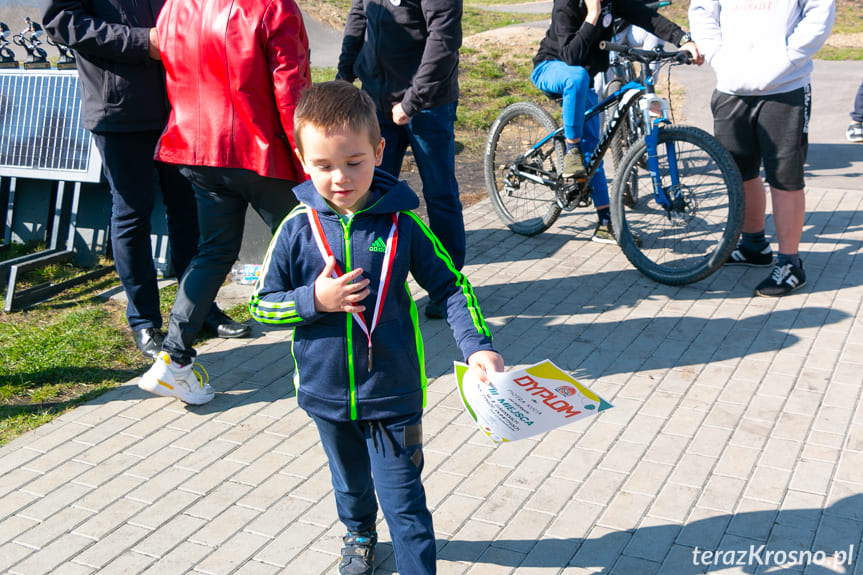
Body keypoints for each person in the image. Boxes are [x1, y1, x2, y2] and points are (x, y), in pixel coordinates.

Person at [249, 80, 504, 575]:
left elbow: (451, 286)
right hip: (326, 394)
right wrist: (313, 301)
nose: (340, 178)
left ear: (380, 151)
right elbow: (262, 306)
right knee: (350, 485)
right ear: (302, 159)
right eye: (323, 166)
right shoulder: (296, 229)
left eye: (354, 162)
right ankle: (359, 532)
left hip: (394, 393)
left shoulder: (403, 224)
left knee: (405, 503)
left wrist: (477, 345)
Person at [41, 0, 249, 360]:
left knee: (188, 211)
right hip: (118, 109)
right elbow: (60, 21)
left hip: (179, 104)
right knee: (132, 213)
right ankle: (144, 321)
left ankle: (199, 311)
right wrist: (142, 41)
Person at [137, 0, 311, 404]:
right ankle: (343, 352)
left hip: (198, 146)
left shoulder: (174, 7)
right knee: (314, 244)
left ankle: (173, 358)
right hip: (261, 149)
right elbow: (290, 88)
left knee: (213, 252)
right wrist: (307, 155)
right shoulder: (272, 6)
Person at [690, 0, 835, 297]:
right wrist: (718, 56)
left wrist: (788, 58)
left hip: (785, 87)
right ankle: (753, 245)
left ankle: (790, 264)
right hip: (731, 88)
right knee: (739, 172)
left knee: (785, 177)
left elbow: (820, 12)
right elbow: (703, 11)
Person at [532, 0, 703, 243]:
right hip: (550, 68)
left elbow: (649, 18)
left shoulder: (612, 2)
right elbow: (571, 56)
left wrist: (684, 39)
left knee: (595, 151)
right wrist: (593, 15)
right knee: (577, 76)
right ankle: (571, 151)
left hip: (584, 82)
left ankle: (605, 224)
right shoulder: (567, 3)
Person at [337, 0, 465, 319]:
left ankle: (446, 290)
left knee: (440, 196)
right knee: (370, 196)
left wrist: (413, 101)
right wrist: (344, 74)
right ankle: (371, 285)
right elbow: (359, 16)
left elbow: (444, 38)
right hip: (376, 100)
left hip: (428, 105)